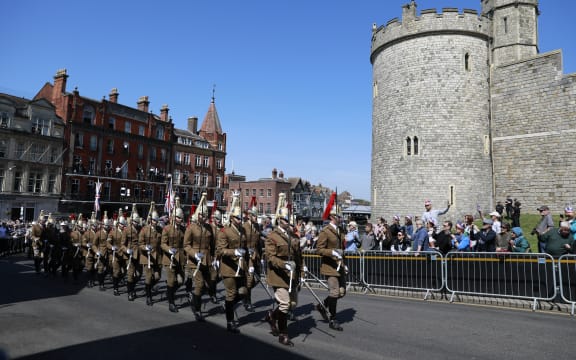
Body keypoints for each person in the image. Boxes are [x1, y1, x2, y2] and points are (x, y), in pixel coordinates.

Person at [264, 205, 303, 346]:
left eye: (289, 219)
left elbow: (299, 256)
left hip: (292, 275)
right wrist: (284, 264)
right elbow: (270, 257)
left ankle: (271, 316)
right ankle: (283, 334)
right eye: (286, 219)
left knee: (292, 304)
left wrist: (301, 273)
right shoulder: (272, 236)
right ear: (280, 220)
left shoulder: (292, 236)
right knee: (285, 304)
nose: (288, 222)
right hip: (278, 275)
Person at [216, 193, 248, 333]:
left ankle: (227, 306)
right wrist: (234, 252)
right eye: (237, 218)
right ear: (231, 218)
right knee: (231, 293)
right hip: (228, 268)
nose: (240, 220)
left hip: (240, 267)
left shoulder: (242, 231)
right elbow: (221, 250)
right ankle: (230, 321)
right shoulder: (225, 231)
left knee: (243, 292)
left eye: (241, 218)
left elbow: (245, 246)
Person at [184, 194, 215, 321]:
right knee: (199, 284)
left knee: (209, 284)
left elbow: (212, 245)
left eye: (206, 215)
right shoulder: (191, 228)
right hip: (195, 261)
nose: (204, 217)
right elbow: (186, 245)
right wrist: (194, 254)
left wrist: (214, 258)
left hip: (207, 260)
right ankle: (197, 309)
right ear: (198, 215)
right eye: (202, 215)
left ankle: (195, 298)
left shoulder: (209, 228)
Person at [315, 208, 346, 331]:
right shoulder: (325, 231)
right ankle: (333, 319)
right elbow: (319, 249)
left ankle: (322, 306)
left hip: (340, 266)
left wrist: (344, 263)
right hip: (329, 266)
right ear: (333, 217)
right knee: (334, 292)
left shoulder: (340, 230)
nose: (341, 218)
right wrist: (332, 252)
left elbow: (342, 249)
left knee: (341, 292)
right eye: (339, 216)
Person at [161, 199, 187, 313]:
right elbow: (163, 244)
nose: (180, 220)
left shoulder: (183, 229)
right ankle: (171, 303)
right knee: (171, 281)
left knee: (181, 281)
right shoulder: (167, 229)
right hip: (169, 258)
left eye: (181, 218)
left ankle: (169, 291)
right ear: (174, 217)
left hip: (180, 258)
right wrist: (169, 250)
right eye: (178, 218)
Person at [139, 206, 163, 306]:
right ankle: (149, 297)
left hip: (157, 256)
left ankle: (147, 287)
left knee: (157, 277)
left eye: (156, 220)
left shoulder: (159, 229)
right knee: (148, 277)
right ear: (150, 220)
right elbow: (140, 244)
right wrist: (145, 247)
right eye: (153, 220)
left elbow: (162, 242)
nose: (155, 222)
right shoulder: (144, 230)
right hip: (148, 257)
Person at [242, 206, 262, 312]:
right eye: (254, 215)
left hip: (256, 255)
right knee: (249, 280)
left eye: (256, 215)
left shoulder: (257, 226)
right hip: (247, 256)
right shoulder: (244, 226)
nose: (256, 218)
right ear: (249, 216)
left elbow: (259, 242)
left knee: (258, 278)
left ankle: (244, 291)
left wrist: (261, 256)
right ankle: (247, 302)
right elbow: (241, 241)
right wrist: (246, 250)